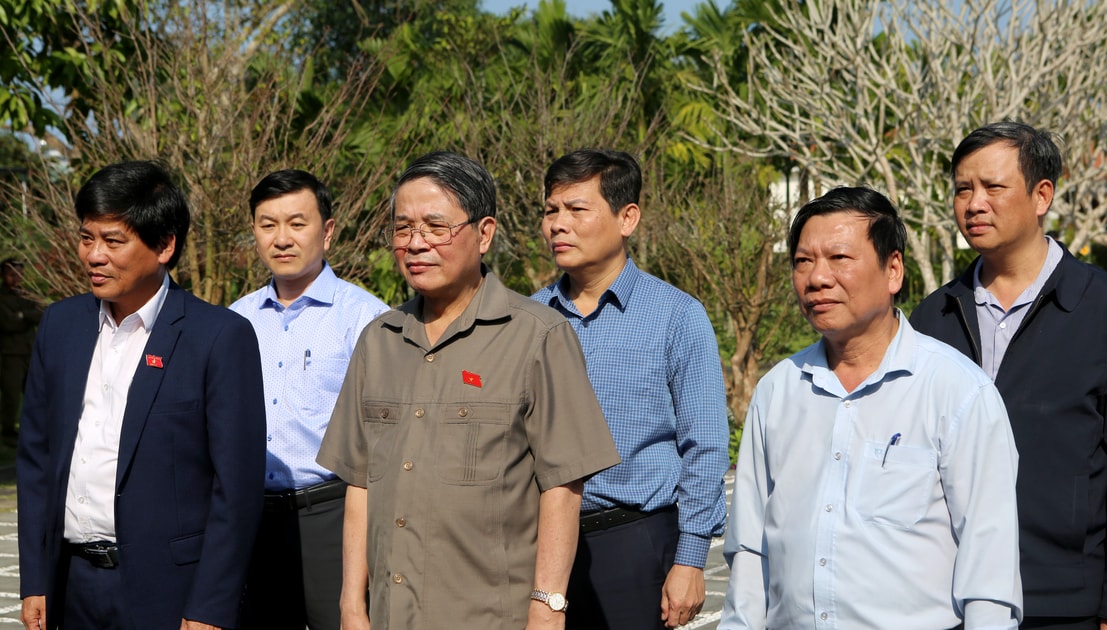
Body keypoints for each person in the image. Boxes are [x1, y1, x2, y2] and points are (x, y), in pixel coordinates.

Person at [317, 151, 620, 629]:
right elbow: (358, 483)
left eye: (436, 227)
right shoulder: (379, 340)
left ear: (483, 233)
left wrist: (548, 606)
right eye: (403, 228)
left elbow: (563, 486)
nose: (416, 244)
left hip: (490, 615)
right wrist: (352, 604)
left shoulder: (538, 336)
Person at [721, 187, 1022, 629]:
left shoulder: (957, 392)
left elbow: (989, 567)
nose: (817, 278)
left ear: (893, 269)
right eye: (803, 261)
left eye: (839, 259)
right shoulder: (778, 391)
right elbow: (750, 546)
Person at [910, 122, 1107, 629]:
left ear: (1041, 195)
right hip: (945, 599)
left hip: (1062, 602)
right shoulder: (932, 317)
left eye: (993, 187)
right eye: (963, 189)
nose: (974, 203)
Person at [16, 160, 266, 629]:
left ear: (164, 245)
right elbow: (36, 460)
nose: (94, 255)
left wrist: (210, 606)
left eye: (113, 241)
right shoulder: (61, 326)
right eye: (87, 237)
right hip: (69, 585)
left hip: (169, 594)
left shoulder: (217, 337)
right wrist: (35, 577)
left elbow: (237, 489)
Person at [531, 149, 728, 629]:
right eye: (551, 210)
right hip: (539, 545)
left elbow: (704, 444)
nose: (559, 224)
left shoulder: (676, 316)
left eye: (577, 210)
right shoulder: (527, 318)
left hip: (635, 543)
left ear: (627, 218)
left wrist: (691, 558)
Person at [230, 169, 389, 629]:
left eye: (297, 223)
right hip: (252, 519)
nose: (282, 238)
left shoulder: (366, 319)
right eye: (267, 224)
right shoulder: (234, 322)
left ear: (328, 230)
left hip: (334, 515)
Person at [0, 258, 41, 445]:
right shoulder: (2, 296)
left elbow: (41, 313)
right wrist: (26, 316)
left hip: (29, 350)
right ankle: (8, 433)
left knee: (35, 394)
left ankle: (34, 430)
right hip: (10, 353)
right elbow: (8, 323)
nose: (16, 278)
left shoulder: (27, 294)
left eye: (19, 274)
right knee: (12, 396)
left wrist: (22, 315)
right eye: (11, 274)